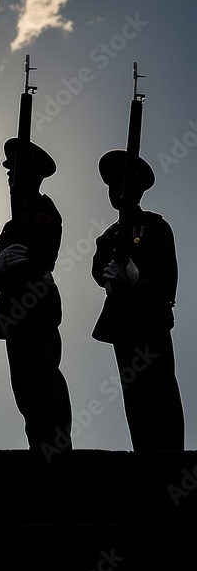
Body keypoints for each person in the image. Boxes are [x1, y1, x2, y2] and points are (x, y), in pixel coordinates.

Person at [91, 150, 184, 451]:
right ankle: (144, 455)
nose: (115, 192)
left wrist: (137, 278)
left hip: (150, 318)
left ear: (135, 189)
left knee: (160, 388)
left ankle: (171, 457)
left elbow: (167, 277)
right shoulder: (109, 236)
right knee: (135, 395)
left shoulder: (155, 226)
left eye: (121, 184)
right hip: (122, 321)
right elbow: (97, 270)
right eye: (111, 186)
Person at [0, 138, 72, 452]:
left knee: (43, 380)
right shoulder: (11, 224)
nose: (9, 176)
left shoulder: (43, 211)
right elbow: (0, 277)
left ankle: (58, 449)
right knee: (24, 387)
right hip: (11, 309)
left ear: (32, 174)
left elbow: (42, 258)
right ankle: (39, 446)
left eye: (15, 170)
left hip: (35, 303)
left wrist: (12, 264)